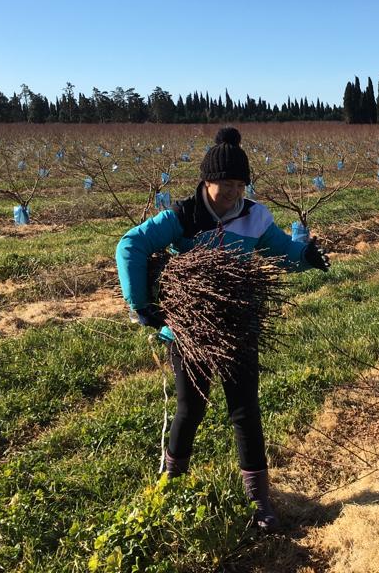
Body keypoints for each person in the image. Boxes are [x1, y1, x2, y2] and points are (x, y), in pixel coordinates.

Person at [115, 126, 330, 531]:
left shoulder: (255, 215)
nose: (232, 192)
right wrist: (142, 305)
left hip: (239, 326)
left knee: (245, 411)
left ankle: (259, 498)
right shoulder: (183, 215)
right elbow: (131, 244)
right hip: (190, 332)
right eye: (224, 184)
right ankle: (172, 481)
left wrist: (305, 255)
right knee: (190, 408)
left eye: (239, 184)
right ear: (206, 181)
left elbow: (280, 251)